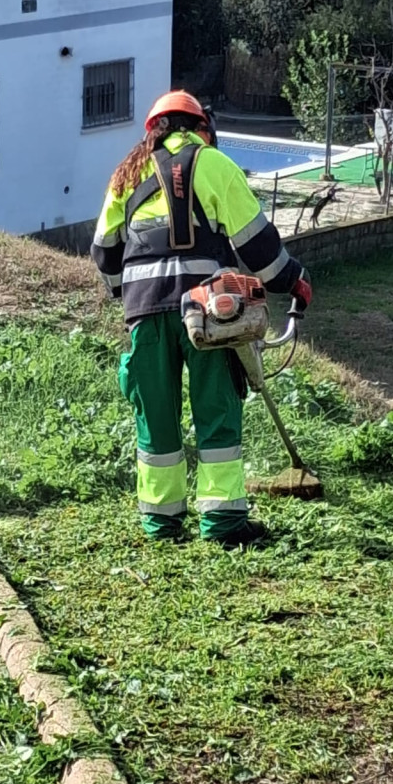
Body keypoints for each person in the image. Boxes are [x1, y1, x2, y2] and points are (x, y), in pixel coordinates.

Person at [90, 90, 312, 548]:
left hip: (144, 312)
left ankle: (162, 525)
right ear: (201, 127)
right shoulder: (211, 164)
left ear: (153, 131)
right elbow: (257, 246)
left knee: (155, 418)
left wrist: (129, 298)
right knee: (216, 411)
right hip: (209, 314)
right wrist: (294, 282)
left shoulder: (125, 176)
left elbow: (104, 252)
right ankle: (223, 525)